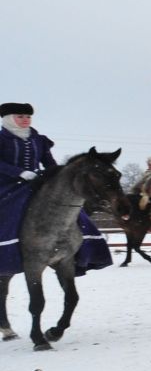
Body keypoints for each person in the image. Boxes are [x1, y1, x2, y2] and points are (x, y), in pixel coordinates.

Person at [0, 103, 113, 276]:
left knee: (72, 209)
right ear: (8, 119)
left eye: (28, 117)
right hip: (7, 184)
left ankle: (85, 249)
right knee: (13, 209)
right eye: (20, 116)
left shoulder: (39, 139)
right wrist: (20, 173)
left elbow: (49, 162)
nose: (25, 120)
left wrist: (58, 178)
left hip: (37, 182)